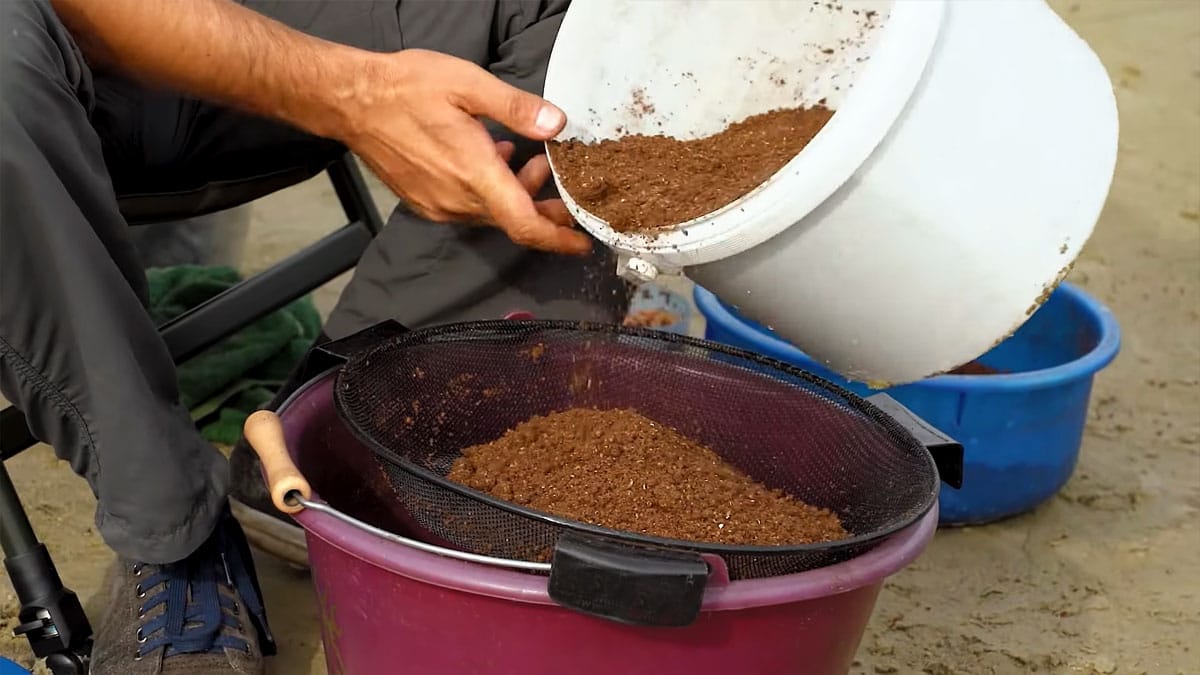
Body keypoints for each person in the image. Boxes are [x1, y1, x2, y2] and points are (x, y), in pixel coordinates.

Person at [0, 1, 627, 673]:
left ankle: (345, 443)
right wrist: (353, 94)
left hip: (277, 23)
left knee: (610, 20)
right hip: (64, 63)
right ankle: (175, 533)